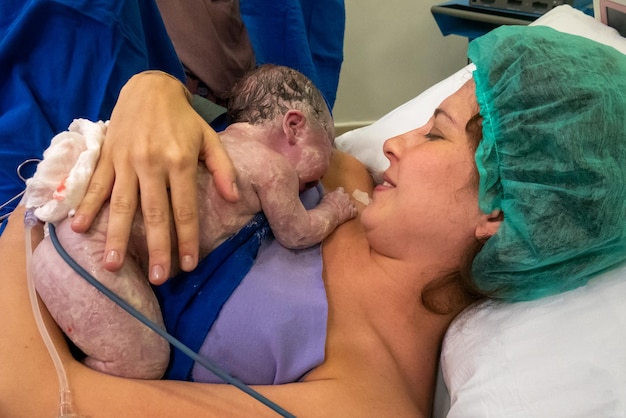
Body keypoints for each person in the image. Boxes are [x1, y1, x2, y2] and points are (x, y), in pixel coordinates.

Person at [2, 25, 626, 418]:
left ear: (497, 206)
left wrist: (30, 222)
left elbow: (35, 398)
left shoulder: (360, 398)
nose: (393, 143)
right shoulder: (346, 185)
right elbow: (223, 136)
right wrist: (154, 91)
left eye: (434, 134)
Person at [26, 64, 356, 380]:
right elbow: (296, 233)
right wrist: (334, 209)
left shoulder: (212, 139)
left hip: (63, 237)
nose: (320, 177)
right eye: (327, 151)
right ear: (293, 126)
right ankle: (59, 385)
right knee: (144, 362)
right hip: (96, 257)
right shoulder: (274, 169)